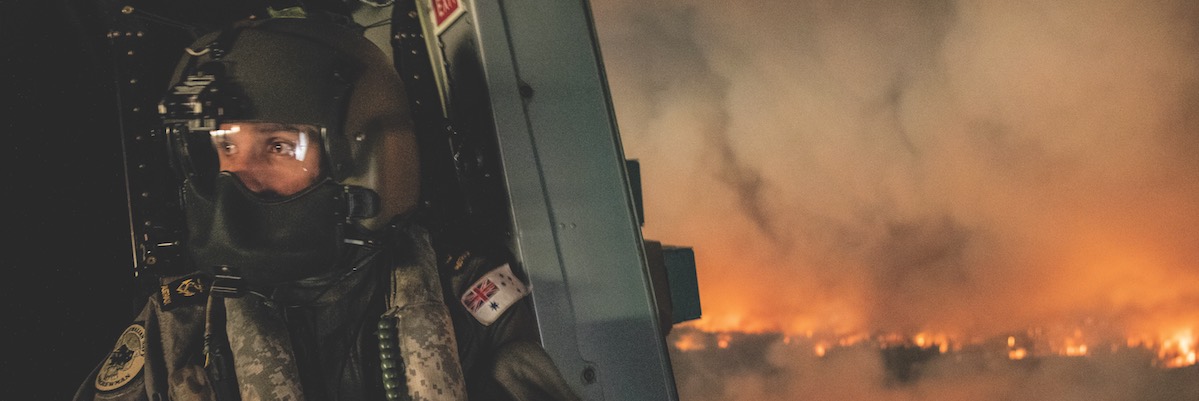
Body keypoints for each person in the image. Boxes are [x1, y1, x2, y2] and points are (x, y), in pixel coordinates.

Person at [74, 8, 579, 401]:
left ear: (367, 161)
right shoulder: (178, 326)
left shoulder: (467, 300)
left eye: (277, 147)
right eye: (225, 146)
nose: (236, 175)